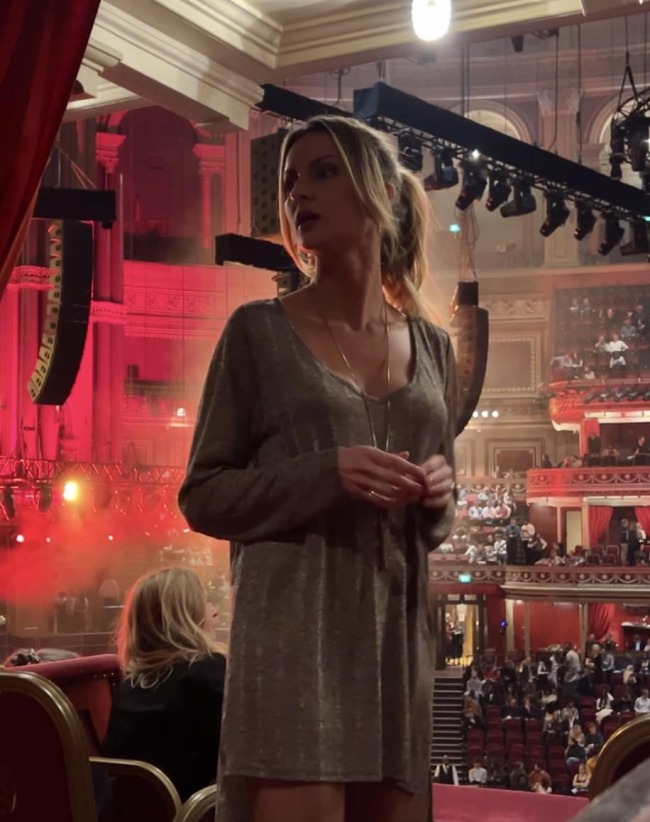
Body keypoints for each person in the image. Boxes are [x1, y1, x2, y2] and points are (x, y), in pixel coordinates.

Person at [179, 114, 457, 822]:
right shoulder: (256, 332)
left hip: (395, 649)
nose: (298, 191)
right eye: (291, 179)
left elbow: (435, 525)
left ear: (381, 194)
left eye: (324, 172)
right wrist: (326, 473)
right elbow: (203, 495)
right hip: (292, 649)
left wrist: (438, 498)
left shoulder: (435, 348)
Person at [101, 568, 226, 801]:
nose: (214, 612)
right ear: (185, 617)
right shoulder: (208, 671)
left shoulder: (128, 686)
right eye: (205, 602)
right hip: (198, 812)